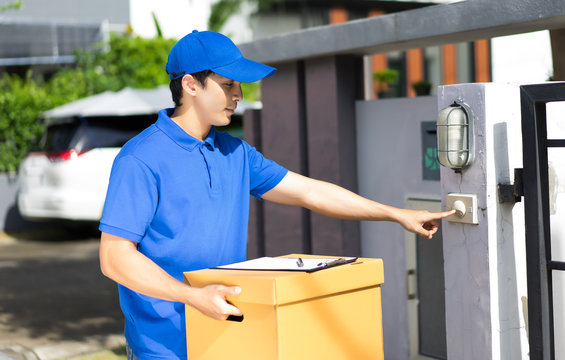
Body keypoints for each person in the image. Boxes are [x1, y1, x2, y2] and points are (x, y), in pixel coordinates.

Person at [99, 30, 455, 360]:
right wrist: (193, 297)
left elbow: (310, 192)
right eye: (227, 85)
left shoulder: (234, 152)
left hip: (226, 332)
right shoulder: (141, 159)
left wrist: (396, 214)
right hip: (164, 347)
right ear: (191, 85)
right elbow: (115, 257)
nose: (238, 95)